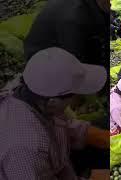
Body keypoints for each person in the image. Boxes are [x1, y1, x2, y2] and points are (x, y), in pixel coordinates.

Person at [0, 48, 109, 179]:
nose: (78, 97)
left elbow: (62, 125)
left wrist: (105, 138)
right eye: (74, 95)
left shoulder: (32, 95)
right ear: (53, 102)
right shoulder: (26, 148)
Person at [24, 0, 108, 66]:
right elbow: (77, 61)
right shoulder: (73, 17)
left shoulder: (98, 8)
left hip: (78, 46)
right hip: (46, 62)